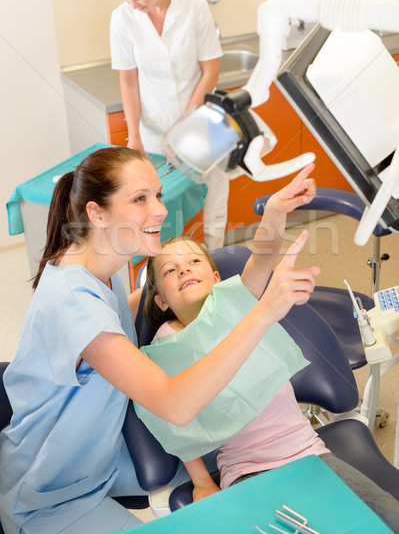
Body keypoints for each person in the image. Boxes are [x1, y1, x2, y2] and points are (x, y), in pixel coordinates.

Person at [0, 147, 320, 534]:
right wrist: (264, 310)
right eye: (139, 199)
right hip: (51, 492)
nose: (161, 210)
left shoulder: (102, 270)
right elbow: (175, 405)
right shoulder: (74, 302)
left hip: (103, 460)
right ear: (96, 214)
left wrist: (272, 217)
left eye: (157, 195)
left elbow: (145, 305)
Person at [142, 166, 399, 533]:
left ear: (218, 279)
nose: (184, 270)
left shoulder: (238, 299)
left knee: (386, 518)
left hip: (309, 454)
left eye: (194, 261)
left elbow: (264, 254)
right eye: (170, 271)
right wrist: (201, 480)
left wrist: (276, 212)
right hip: (249, 471)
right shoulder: (167, 342)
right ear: (161, 301)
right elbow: (177, 424)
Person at [110, 0, 229, 251]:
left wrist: (186, 123)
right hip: (153, 133)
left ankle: (217, 264)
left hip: (201, 123)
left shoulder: (193, 7)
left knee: (213, 202)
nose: (133, 5)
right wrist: (133, 136)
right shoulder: (122, 19)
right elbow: (128, 83)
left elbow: (210, 72)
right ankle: (167, 276)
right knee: (161, 209)